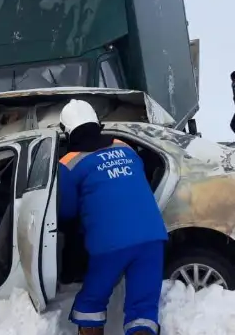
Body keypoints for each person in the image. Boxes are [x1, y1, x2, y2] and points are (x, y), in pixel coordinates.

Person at [57, 99, 168, 335]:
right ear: (97, 123)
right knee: (143, 309)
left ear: (67, 131)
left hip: (110, 243)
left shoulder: (68, 164)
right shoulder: (125, 147)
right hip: (152, 237)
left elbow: (66, 211)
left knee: (91, 303)